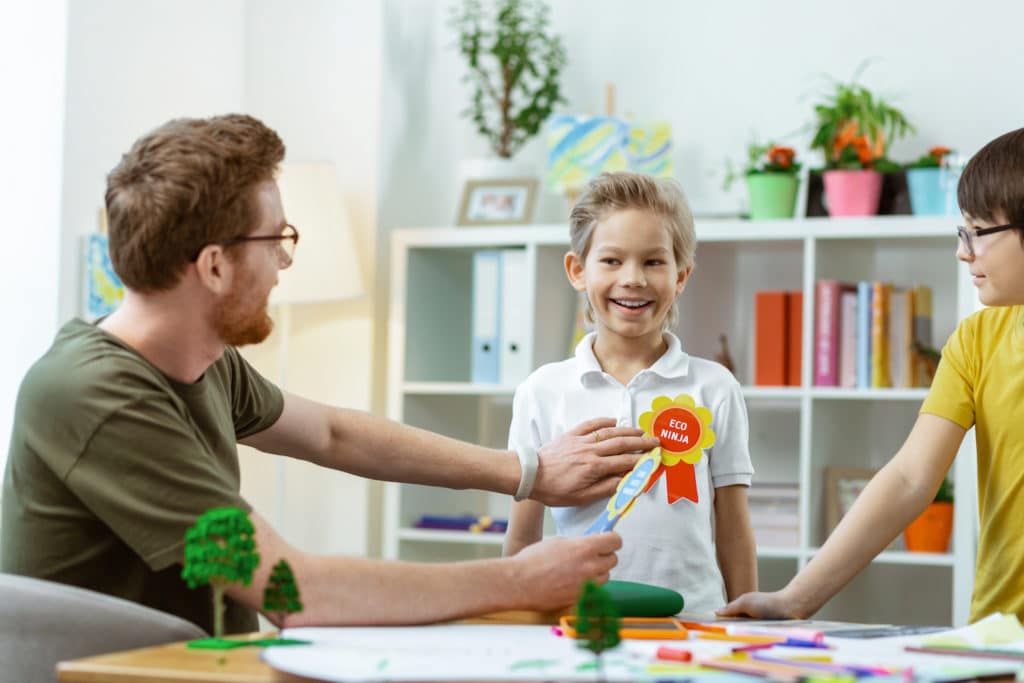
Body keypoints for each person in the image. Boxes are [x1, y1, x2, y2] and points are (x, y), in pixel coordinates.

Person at [0, 114, 661, 635]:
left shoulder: (201, 361)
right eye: (277, 240)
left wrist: (527, 470)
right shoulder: (98, 396)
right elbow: (296, 591)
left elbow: (334, 434)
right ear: (213, 266)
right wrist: (518, 578)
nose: (285, 264)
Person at [719, 127, 1024, 624]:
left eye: (978, 231)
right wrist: (796, 599)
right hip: (999, 635)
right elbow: (908, 478)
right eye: (960, 232)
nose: (963, 251)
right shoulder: (976, 341)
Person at [502, 172, 757, 613]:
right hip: (577, 618)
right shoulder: (542, 391)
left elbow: (734, 528)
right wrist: (512, 617)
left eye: (654, 262)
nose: (633, 279)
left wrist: (750, 622)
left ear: (681, 275)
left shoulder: (715, 387)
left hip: (695, 622)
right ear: (577, 271)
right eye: (613, 261)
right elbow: (524, 534)